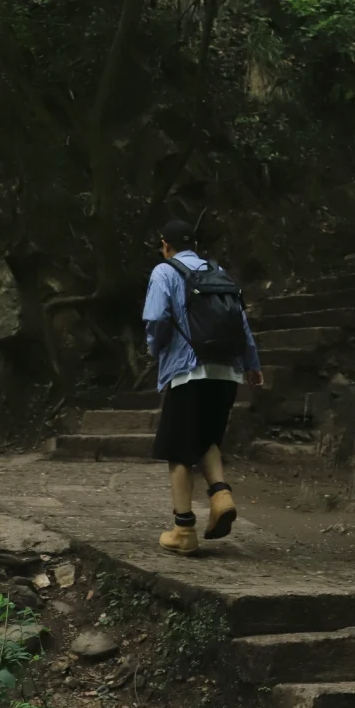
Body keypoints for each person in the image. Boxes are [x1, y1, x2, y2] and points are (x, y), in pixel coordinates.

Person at [143, 217, 264, 555]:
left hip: (188, 371)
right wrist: (251, 365)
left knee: (178, 449)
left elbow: (156, 319)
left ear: (166, 245)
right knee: (206, 437)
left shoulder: (164, 272)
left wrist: (156, 349)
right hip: (227, 372)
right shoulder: (218, 272)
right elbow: (241, 321)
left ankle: (183, 531)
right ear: (193, 244)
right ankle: (221, 495)